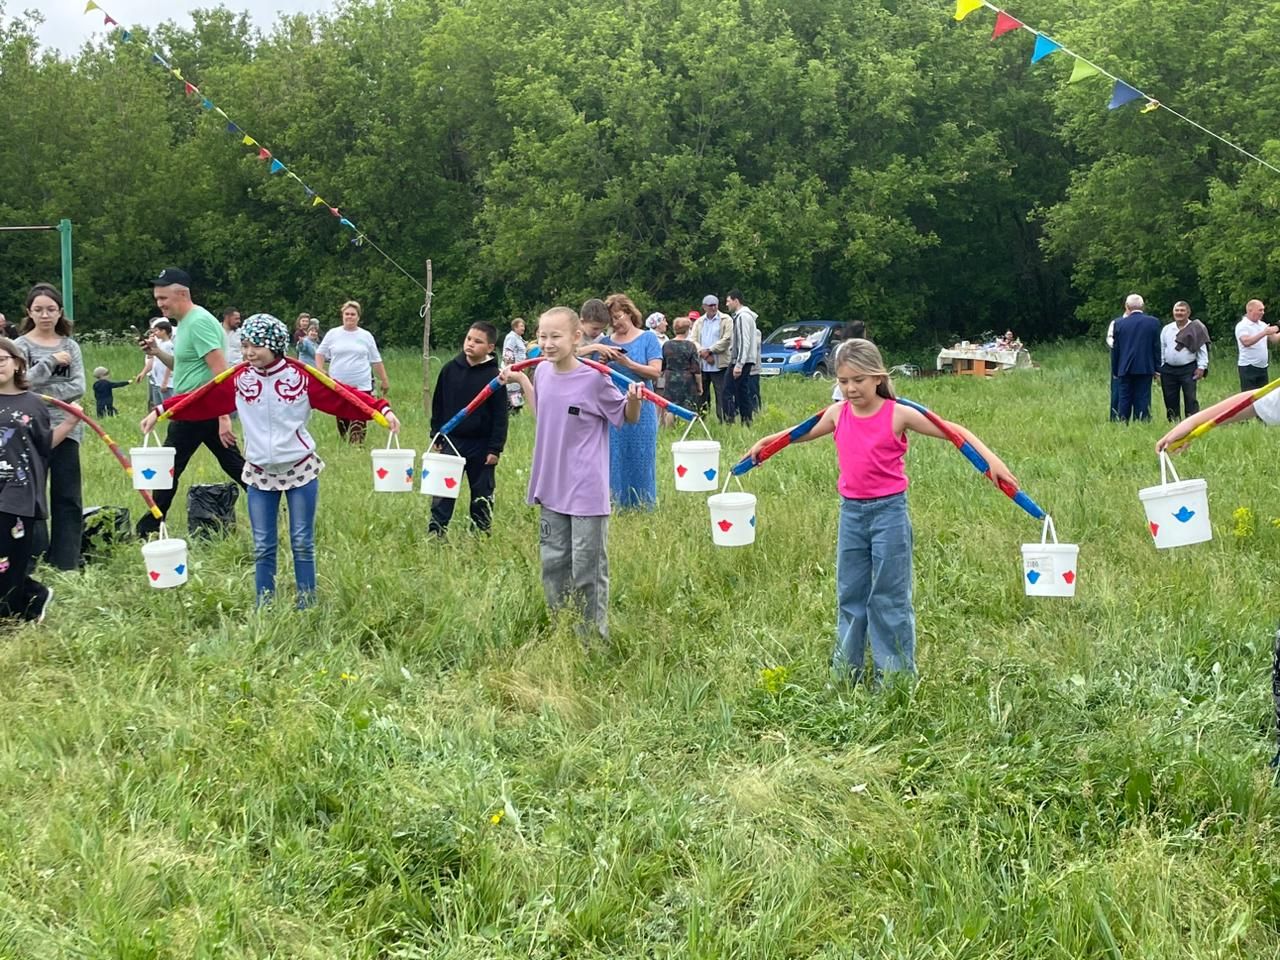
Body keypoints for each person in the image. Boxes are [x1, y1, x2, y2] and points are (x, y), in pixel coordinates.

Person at [747, 338, 1017, 682]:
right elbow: (799, 432)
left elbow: (955, 432)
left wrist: (992, 462)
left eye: (858, 380)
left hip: (888, 514)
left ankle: (895, 678)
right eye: (843, 382)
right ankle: (846, 672)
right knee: (850, 594)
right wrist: (766, 441)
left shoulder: (898, 413)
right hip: (852, 515)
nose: (850, 389)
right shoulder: (837, 413)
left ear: (877, 377)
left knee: (889, 597)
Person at [141, 314, 399, 607]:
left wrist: (382, 410)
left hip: (301, 469)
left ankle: (307, 603)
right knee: (263, 545)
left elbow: (341, 395)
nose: (249, 353)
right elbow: (201, 398)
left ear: (275, 345)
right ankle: (264, 604)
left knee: (302, 542)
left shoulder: (301, 377)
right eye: (246, 346)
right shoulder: (239, 378)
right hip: (259, 473)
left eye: (256, 346)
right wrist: (161, 410)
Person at [498, 306, 642, 642]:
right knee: (554, 564)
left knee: (588, 570)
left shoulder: (595, 379)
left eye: (555, 336)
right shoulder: (543, 373)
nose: (546, 344)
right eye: (542, 336)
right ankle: (563, 632)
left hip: (585, 489)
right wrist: (522, 380)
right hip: (551, 484)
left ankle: (593, 640)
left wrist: (634, 399)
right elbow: (543, 412)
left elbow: (626, 416)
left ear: (577, 337)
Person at [136, 268, 247, 538]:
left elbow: (221, 370)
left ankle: (149, 526)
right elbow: (183, 367)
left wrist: (223, 418)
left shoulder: (198, 322)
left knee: (168, 468)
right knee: (232, 463)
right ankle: (272, 499)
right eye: (157, 298)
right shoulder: (184, 324)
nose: (160, 304)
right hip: (191, 405)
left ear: (182, 293)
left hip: (200, 408)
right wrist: (157, 353)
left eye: (164, 298)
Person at [0, 337, 77, 621]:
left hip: (18, 492)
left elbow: (44, 446)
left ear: (18, 363)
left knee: (8, 557)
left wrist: (70, 423)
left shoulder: (33, 404)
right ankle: (32, 595)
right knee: (8, 561)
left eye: (2, 360)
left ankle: (13, 613)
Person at [16, 283, 85, 571]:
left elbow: (79, 386)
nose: (45, 315)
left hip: (68, 428)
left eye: (51, 309)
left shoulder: (71, 346)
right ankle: (35, 558)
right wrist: (49, 364)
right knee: (32, 494)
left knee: (67, 494)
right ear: (29, 312)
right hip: (28, 428)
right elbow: (21, 383)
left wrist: (42, 391)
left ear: (60, 312)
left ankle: (67, 560)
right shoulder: (19, 346)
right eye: (39, 310)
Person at [429, 321, 508, 536]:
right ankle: (437, 531)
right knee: (443, 491)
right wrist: (435, 433)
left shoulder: (496, 378)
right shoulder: (449, 370)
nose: (471, 344)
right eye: (469, 339)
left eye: (478, 341)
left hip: (482, 445)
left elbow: (501, 415)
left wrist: (495, 448)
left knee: (481, 492)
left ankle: (481, 533)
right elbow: (439, 404)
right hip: (452, 441)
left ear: (490, 348)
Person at [599, 293, 663, 509]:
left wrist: (627, 363)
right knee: (615, 455)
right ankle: (616, 503)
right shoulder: (605, 343)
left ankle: (644, 504)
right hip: (613, 407)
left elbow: (655, 372)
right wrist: (602, 362)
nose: (616, 323)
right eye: (611, 320)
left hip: (643, 406)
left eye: (618, 317)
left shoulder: (648, 338)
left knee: (642, 455)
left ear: (629, 312)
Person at [315, 300, 389, 444]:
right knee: (342, 416)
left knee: (360, 414)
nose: (349, 317)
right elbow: (320, 353)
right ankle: (345, 442)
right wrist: (320, 368)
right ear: (342, 316)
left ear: (358, 317)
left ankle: (357, 444)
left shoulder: (366, 336)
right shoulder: (333, 334)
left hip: (361, 384)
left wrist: (384, 379)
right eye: (347, 314)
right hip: (338, 384)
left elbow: (376, 360)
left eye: (353, 314)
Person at [1109, 293, 1161, 423]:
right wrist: (1157, 369)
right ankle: (1143, 421)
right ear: (1142, 306)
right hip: (1145, 366)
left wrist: (1115, 370)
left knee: (1124, 397)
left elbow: (1116, 350)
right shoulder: (1153, 322)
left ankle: (1123, 422)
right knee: (1143, 397)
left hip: (1124, 367)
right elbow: (1156, 347)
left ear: (1127, 306)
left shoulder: (1119, 324)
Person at [1159, 301, 1209, 421]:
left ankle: (1192, 422)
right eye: (1177, 310)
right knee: (1170, 398)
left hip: (1188, 369)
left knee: (1190, 398)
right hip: (1168, 369)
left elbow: (1202, 350)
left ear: (1188, 313)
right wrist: (1160, 366)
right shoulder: (1167, 329)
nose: (1179, 313)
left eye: (1182, 310)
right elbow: (1162, 348)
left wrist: (1202, 367)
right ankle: (1173, 423)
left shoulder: (1197, 328)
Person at [691, 295, 733, 422]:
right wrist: (702, 353)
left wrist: (710, 351)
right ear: (704, 307)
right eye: (710, 305)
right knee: (701, 395)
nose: (713, 307)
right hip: (703, 365)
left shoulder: (726, 319)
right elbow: (693, 340)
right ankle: (699, 420)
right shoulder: (699, 322)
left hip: (719, 364)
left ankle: (725, 421)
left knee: (722, 394)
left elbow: (727, 339)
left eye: (715, 304)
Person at [660, 315, 702, 427]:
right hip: (687, 378)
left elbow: (662, 366)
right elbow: (696, 368)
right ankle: (687, 429)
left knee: (670, 406)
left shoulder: (667, 345)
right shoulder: (690, 346)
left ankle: (669, 429)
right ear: (688, 330)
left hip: (670, 378)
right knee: (688, 405)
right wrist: (699, 385)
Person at [725, 289, 760, 426]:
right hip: (746, 359)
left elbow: (744, 341)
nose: (727, 304)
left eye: (728, 301)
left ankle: (730, 421)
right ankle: (746, 421)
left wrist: (739, 364)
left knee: (727, 391)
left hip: (740, 361)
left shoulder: (742, 317)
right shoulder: (745, 316)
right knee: (741, 391)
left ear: (736, 301)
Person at [1235, 299, 1277, 391]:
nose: (1263, 312)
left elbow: (1274, 339)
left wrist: (1272, 331)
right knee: (1249, 398)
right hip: (1248, 367)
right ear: (1250, 310)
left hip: (1262, 367)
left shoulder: (1262, 325)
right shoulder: (1242, 325)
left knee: (1263, 397)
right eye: (1260, 310)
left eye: (1263, 310)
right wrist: (1264, 333)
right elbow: (1246, 342)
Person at [135, 318, 174, 409]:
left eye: (156, 331)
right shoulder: (158, 344)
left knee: (169, 407)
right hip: (157, 381)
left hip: (167, 383)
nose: (154, 333)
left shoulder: (169, 345)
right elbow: (152, 360)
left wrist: (165, 382)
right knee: (158, 406)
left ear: (163, 331)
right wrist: (143, 373)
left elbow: (171, 364)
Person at [502, 317, 529, 412]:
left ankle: (517, 409)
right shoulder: (511, 337)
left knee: (517, 388)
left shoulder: (519, 338)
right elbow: (508, 352)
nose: (523, 328)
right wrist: (510, 367)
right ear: (515, 327)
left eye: (524, 326)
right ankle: (512, 410)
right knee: (513, 389)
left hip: (519, 368)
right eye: (521, 326)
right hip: (513, 368)